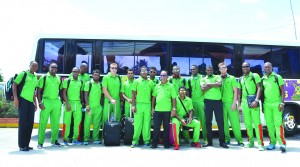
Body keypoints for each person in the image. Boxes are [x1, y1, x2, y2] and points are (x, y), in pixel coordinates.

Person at [237, 62, 264, 151]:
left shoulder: (255, 76)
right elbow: (239, 93)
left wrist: (256, 100)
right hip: (245, 103)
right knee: (247, 124)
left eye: (246, 66)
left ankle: (260, 144)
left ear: (249, 67)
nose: (245, 68)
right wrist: (239, 105)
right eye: (243, 67)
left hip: (253, 102)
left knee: (257, 123)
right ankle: (250, 142)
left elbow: (259, 88)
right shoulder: (241, 78)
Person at [13, 61, 38, 151]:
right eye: (33, 66)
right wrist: (16, 98)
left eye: (36, 66)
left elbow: (33, 92)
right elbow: (14, 85)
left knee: (30, 123)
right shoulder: (23, 74)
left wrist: (35, 103)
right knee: (23, 123)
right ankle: (21, 145)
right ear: (29, 66)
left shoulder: (35, 77)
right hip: (22, 100)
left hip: (30, 102)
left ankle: (27, 144)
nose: (34, 67)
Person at [201, 65, 228, 148]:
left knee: (220, 122)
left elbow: (219, 84)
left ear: (213, 70)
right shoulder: (202, 78)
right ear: (206, 71)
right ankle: (209, 142)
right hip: (207, 102)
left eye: (210, 70)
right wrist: (213, 84)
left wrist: (208, 84)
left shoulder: (217, 76)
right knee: (208, 122)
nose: (209, 71)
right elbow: (203, 88)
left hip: (218, 102)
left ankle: (222, 142)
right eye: (208, 70)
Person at [262, 62, 286, 152]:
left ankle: (282, 143)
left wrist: (282, 103)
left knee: (278, 124)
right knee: (269, 125)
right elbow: (262, 94)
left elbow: (283, 91)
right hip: (267, 105)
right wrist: (263, 106)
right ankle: (272, 143)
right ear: (264, 69)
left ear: (272, 68)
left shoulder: (277, 77)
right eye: (265, 67)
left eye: (268, 67)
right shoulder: (263, 79)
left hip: (276, 104)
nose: (267, 68)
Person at [36, 63, 62, 149]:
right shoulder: (44, 77)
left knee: (55, 123)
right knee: (43, 123)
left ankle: (54, 141)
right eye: (52, 67)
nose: (54, 68)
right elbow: (38, 91)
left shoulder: (59, 78)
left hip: (56, 101)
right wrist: (40, 103)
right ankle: (40, 143)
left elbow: (61, 91)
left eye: (56, 67)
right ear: (49, 68)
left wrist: (60, 101)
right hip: (46, 101)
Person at [218, 62, 244, 147]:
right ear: (219, 69)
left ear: (227, 68)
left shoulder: (232, 78)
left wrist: (234, 103)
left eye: (224, 67)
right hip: (221, 104)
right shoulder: (218, 78)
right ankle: (227, 139)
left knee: (235, 123)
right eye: (221, 68)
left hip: (230, 103)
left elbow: (236, 91)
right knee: (224, 123)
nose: (223, 69)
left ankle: (239, 140)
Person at [151, 70, 176, 149]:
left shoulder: (171, 86)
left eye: (164, 75)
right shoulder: (157, 86)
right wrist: (152, 108)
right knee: (156, 128)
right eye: (161, 75)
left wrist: (174, 109)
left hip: (167, 110)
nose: (162, 77)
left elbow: (174, 98)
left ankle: (166, 143)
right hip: (158, 110)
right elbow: (153, 97)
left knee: (166, 128)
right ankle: (154, 143)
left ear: (167, 77)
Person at [131, 66, 154, 148]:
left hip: (147, 105)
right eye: (143, 71)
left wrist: (152, 107)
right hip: (138, 105)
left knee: (147, 124)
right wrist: (133, 105)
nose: (144, 72)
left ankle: (146, 141)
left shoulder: (150, 82)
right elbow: (133, 94)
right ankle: (135, 140)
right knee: (137, 124)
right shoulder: (136, 81)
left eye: (146, 71)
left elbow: (152, 96)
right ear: (140, 72)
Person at [62, 67, 84, 145]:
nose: (75, 73)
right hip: (69, 103)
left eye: (77, 72)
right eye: (74, 71)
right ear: (71, 72)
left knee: (77, 123)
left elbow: (81, 93)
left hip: (78, 104)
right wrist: (67, 103)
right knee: (67, 122)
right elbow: (63, 92)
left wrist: (82, 103)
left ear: (79, 73)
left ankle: (75, 139)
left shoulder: (80, 82)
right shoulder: (67, 81)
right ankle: (65, 139)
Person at [68, 62, 90, 142]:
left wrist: (83, 102)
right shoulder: (73, 75)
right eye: (84, 68)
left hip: (82, 99)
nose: (86, 70)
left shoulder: (87, 76)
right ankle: (70, 136)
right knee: (72, 120)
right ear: (80, 68)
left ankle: (80, 136)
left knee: (81, 119)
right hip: (73, 100)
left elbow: (85, 91)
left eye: (87, 68)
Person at [186, 65, 207, 144]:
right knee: (195, 122)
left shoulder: (202, 77)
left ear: (197, 70)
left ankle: (205, 139)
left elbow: (205, 89)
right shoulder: (189, 79)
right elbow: (188, 91)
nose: (192, 71)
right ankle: (196, 139)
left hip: (201, 102)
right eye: (191, 69)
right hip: (193, 103)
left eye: (194, 69)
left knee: (203, 121)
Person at [169, 66, 190, 144]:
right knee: (175, 120)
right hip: (174, 102)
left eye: (178, 69)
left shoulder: (184, 79)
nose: (176, 71)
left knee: (184, 118)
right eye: (175, 70)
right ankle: (176, 139)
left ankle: (186, 138)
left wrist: (188, 101)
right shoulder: (170, 80)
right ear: (172, 71)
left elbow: (187, 91)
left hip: (184, 102)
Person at [83, 69, 103, 145]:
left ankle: (96, 139)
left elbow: (101, 96)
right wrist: (87, 105)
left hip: (98, 108)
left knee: (96, 124)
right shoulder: (88, 84)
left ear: (99, 76)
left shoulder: (100, 85)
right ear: (92, 75)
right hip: (90, 107)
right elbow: (85, 95)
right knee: (87, 124)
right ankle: (85, 139)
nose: (96, 76)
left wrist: (101, 105)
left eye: (97, 75)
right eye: (95, 74)